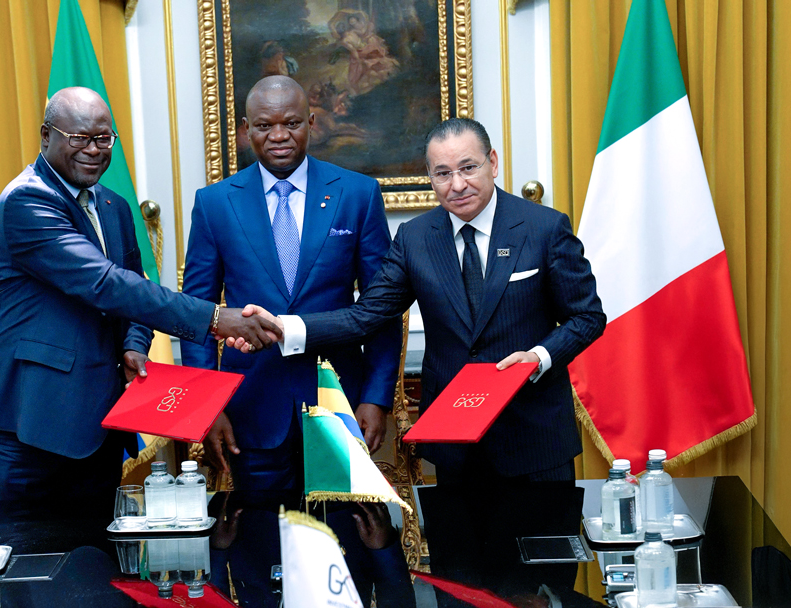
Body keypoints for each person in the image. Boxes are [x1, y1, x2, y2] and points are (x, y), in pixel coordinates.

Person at [0, 87, 279, 520]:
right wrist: (213, 318)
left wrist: (133, 344)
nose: (93, 150)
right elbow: (105, 284)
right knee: (29, 566)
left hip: (97, 419)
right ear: (45, 136)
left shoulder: (114, 206)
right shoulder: (27, 201)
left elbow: (135, 286)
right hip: (25, 422)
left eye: (103, 138)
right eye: (78, 138)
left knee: (95, 563)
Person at [236, 117, 605, 483]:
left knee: (545, 543)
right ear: (430, 178)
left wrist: (538, 358)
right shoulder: (415, 239)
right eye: (442, 174)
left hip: (534, 434)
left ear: (492, 162)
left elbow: (587, 317)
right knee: (460, 544)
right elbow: (366, 315)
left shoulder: (545, 227)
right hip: (455, 442)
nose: (457, 185)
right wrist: (284, 327)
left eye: (468, 168)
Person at [181, 76, 401, 490]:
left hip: (340, 400)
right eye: (265, 126)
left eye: (292, 123)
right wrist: (206, 408)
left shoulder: (357, 194)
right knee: (260, 539)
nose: (279, 136)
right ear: (246, 130)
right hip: (250, 408)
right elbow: (198, 313)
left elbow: (382, 309)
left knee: (342, 539)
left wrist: (375, 397)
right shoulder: (214, 203)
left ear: (312, 122)